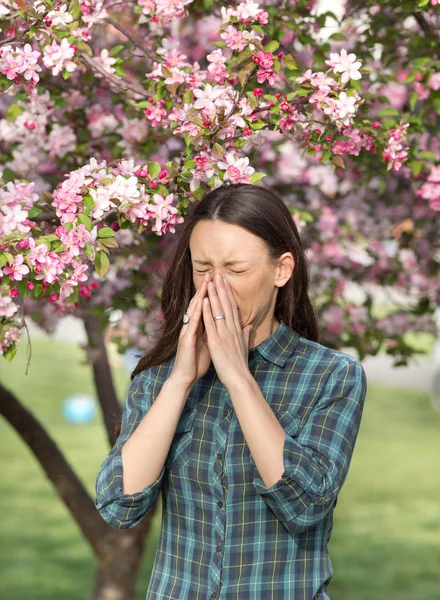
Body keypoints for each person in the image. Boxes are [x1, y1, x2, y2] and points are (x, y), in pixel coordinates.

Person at [94, 182, 368, 600]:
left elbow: (305, 504)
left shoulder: (332, 376)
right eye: (203, 268)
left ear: (282, 269)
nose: (216, 287)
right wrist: (181, 381)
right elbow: (119, 505)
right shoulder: (161, 378)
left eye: (236, 270)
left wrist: (239, 378)